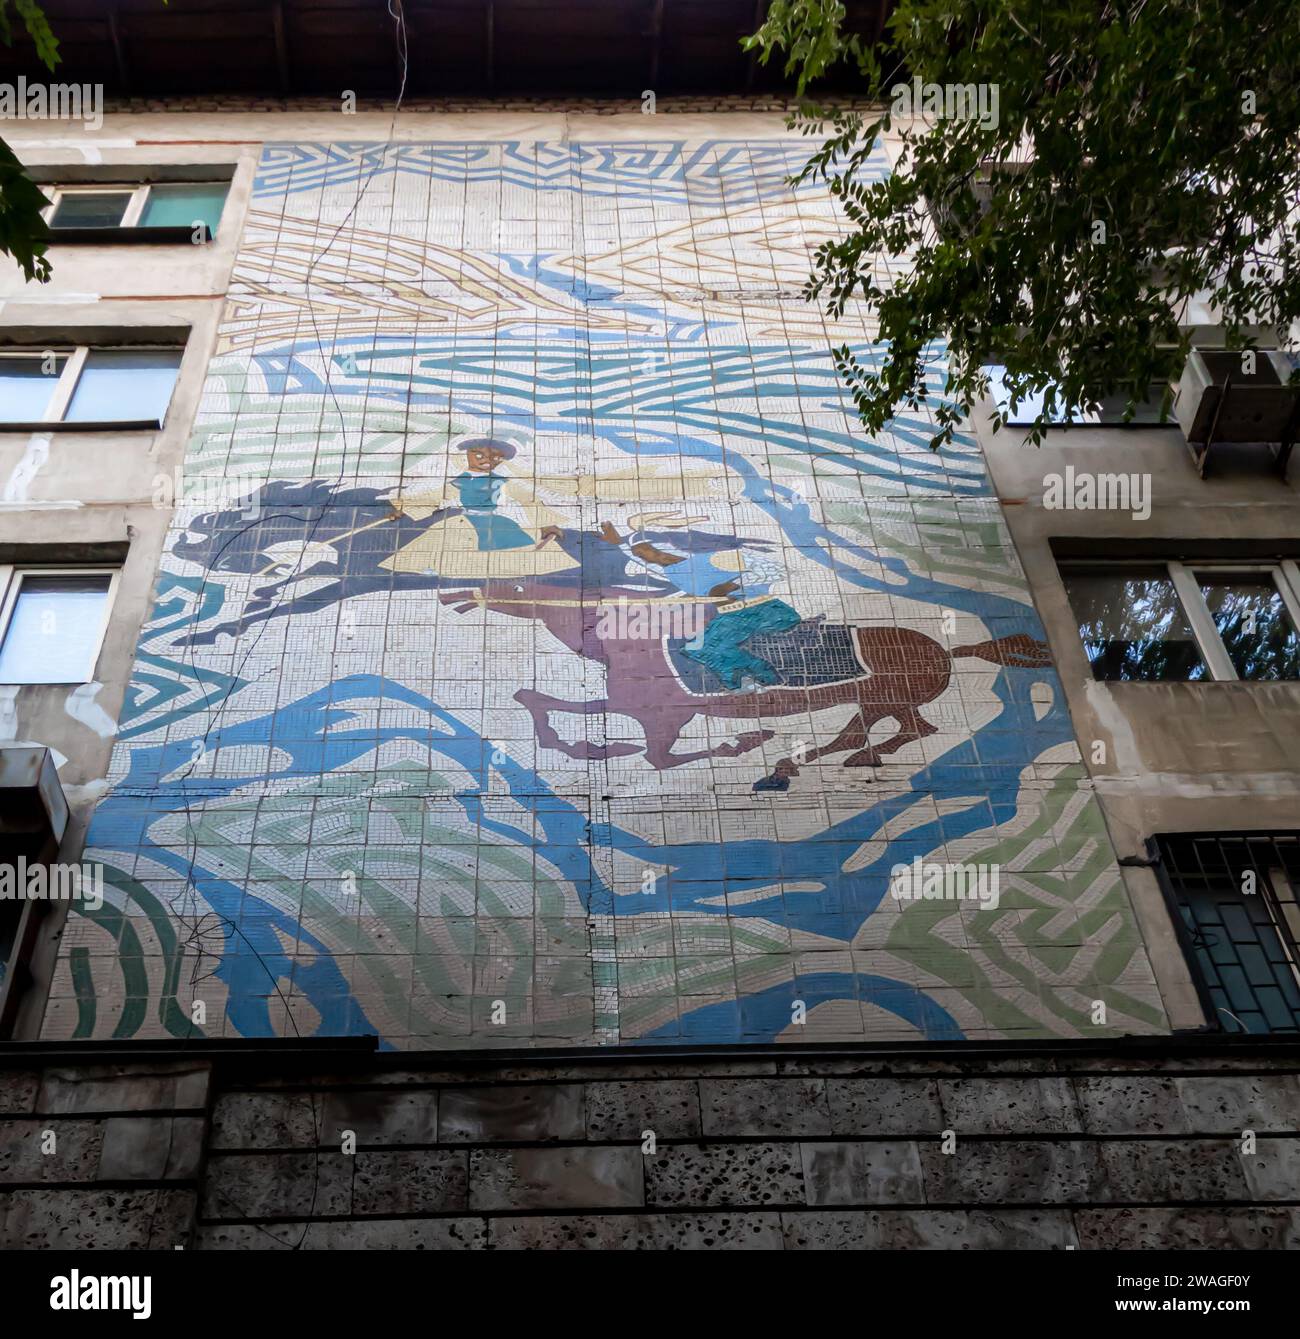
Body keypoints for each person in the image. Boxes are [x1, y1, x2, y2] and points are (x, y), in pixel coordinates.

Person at [381, 437, 573, 580]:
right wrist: (404, 508)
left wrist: (546, 524)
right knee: (439, 543)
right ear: (468, 456)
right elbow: (439, 496)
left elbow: (528, 499)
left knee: (508, 546)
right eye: (479, 455)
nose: (487, 460)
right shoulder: (463, 480)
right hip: (465, 521)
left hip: (494, 522)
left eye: (495, 457)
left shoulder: (501, 481)